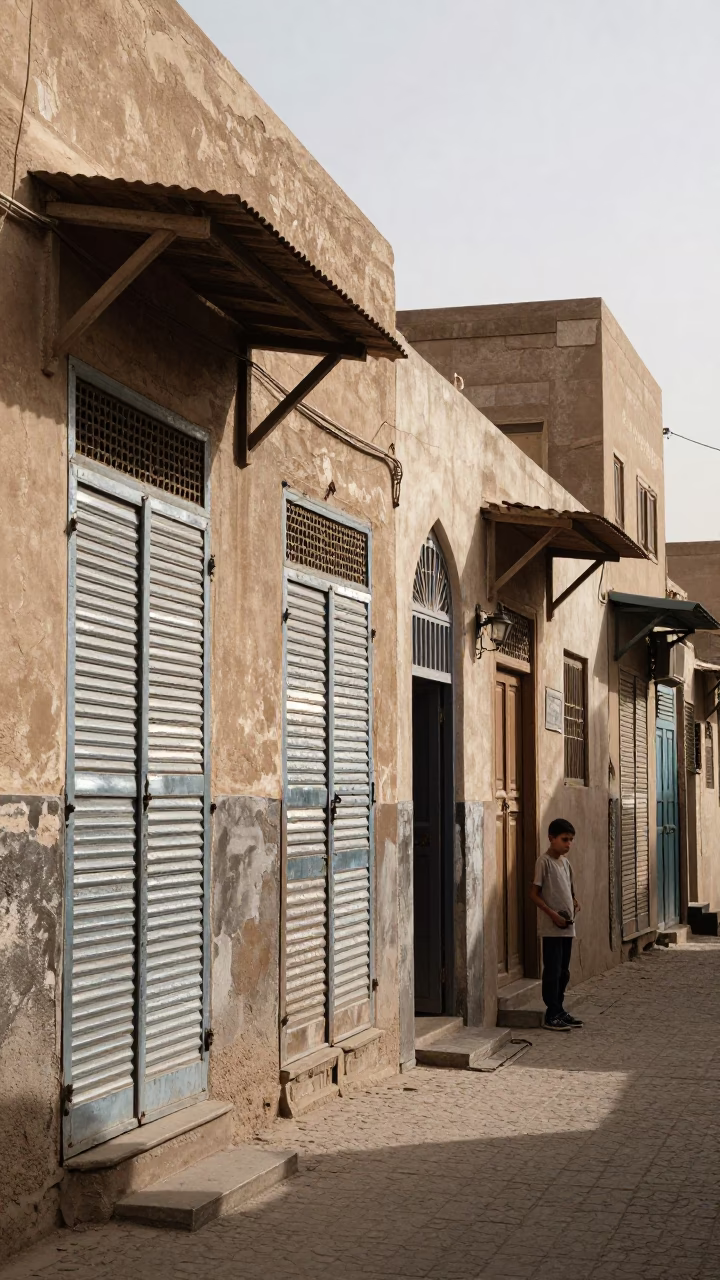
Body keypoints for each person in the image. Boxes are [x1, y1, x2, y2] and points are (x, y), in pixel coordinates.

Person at [529, 818, 583, 1032]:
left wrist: (575, 903)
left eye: (571, 840)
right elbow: (534, 894)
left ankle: (560, 1009)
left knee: (563, 971)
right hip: (552, 927)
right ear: (551, 838)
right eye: (564, 840)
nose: (568, 844)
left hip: (567, 927)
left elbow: (569, 891)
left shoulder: (565, 863)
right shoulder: (544, 862)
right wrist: (552, 914)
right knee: (552, 970)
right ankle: (551, 1013)